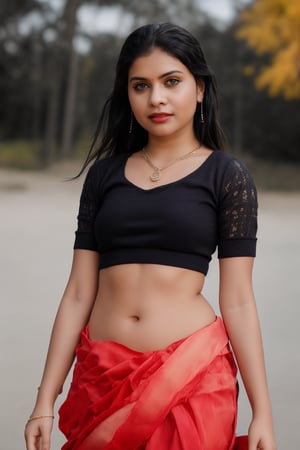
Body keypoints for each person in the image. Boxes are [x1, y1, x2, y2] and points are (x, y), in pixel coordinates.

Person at [25, 22, 277, 450]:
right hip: (101, 382)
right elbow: (77, 294)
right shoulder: (104, 176)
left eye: (171, 82)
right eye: (140, 85)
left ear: (199, 89)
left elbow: (237, 299)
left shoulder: (227, 177)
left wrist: (263, 412)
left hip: (190, 383)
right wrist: (45, 399)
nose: (156, 98)